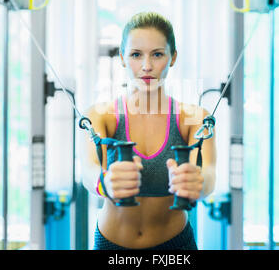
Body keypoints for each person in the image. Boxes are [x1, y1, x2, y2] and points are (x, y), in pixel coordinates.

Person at [82, 12, 217, 250]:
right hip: (112, 246)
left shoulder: (194, 118)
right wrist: (105, 183)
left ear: (172, 57)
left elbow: (209, 175)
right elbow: (88, 171)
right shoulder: (101, 115)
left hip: (175, 246)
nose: (146, 66)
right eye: (136, 55)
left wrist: (198, 183)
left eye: (157, 54)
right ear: (123, 58)